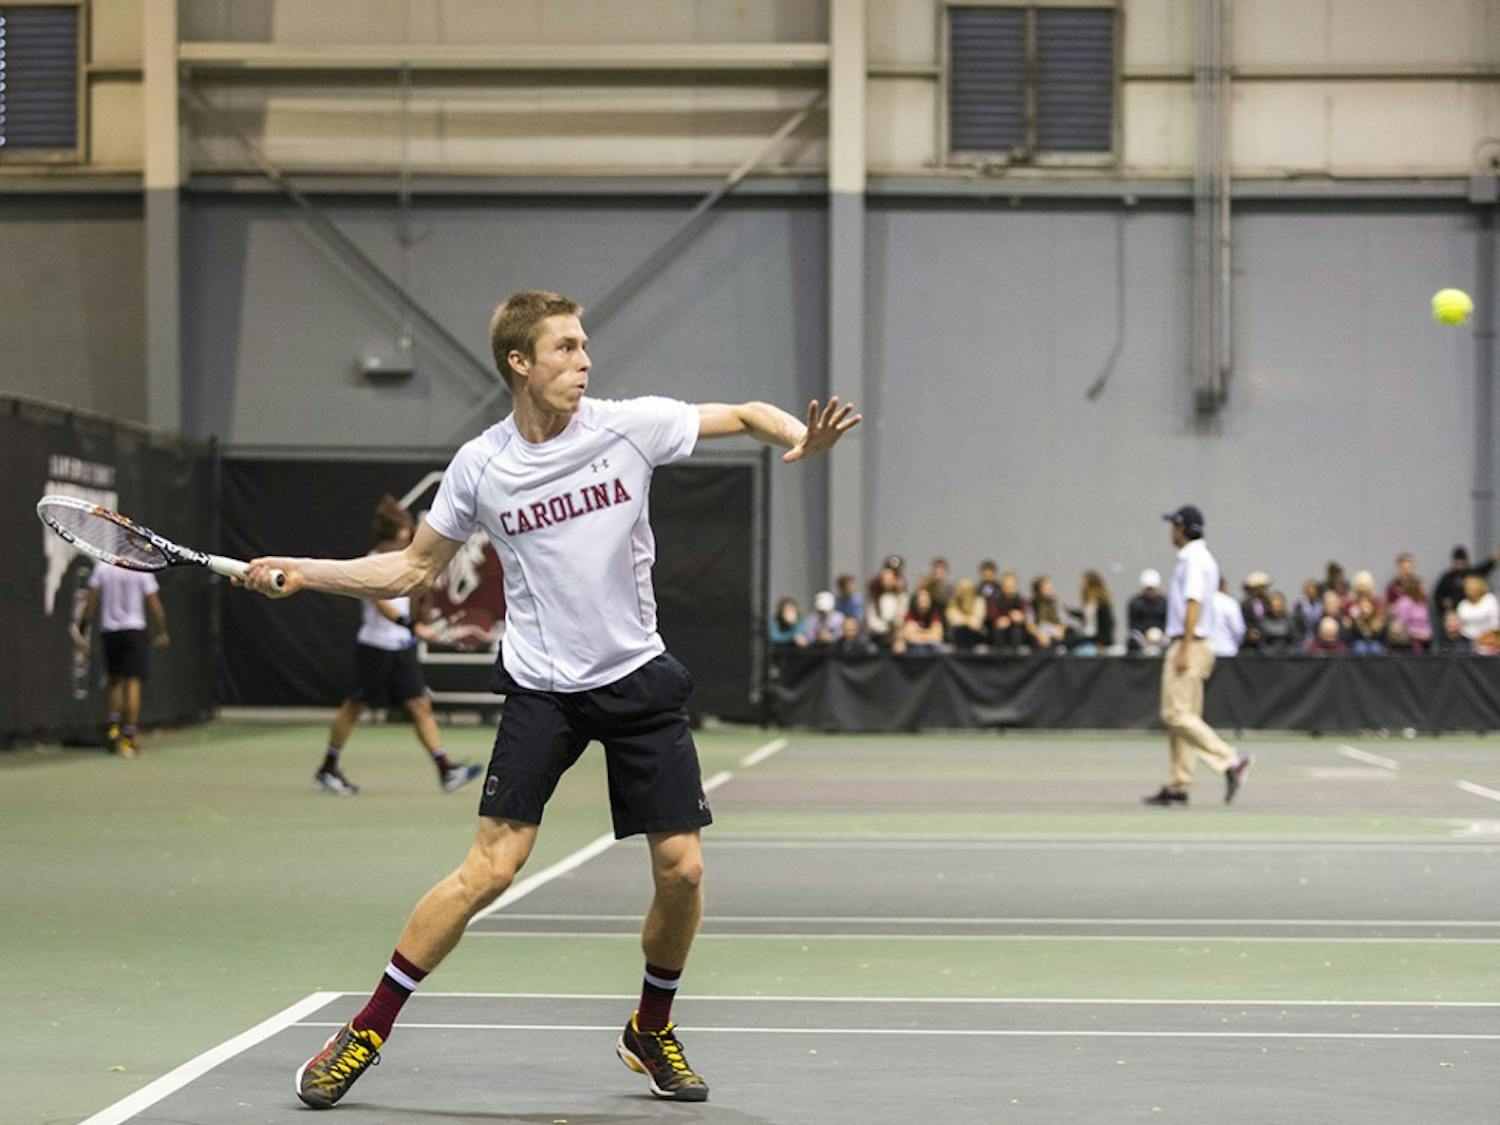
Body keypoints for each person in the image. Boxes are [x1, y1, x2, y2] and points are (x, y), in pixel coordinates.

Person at [242, 290, 860, 1108]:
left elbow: (744, 413)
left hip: (637, 676)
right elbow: (411, 570)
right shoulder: (480, 467)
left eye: (584, 345)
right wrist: (308, 571)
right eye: (565, 348)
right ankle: (366, 1031)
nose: (584, 361)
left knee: (682, 869)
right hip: (543, 688)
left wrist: (796, 435)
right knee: (489, 869)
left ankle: (650, 1028)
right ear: (520, 363)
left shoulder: (627, 427)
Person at [314, 496, 484, 796]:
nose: (411, 536)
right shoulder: (370, 563)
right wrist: (413, 627)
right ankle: (328, 768)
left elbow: (410, 596)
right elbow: (382, 605)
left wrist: (419, 612)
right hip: (375, 649)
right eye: (406, 532)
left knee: (420, 705)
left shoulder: (403, 560)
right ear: (393, 535)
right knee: (353, 708)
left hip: (401, 648)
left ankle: (446, 770)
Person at [1143, 505, 1252, 807]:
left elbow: (1193, 603)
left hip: (1190, 642)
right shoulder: (1201, 558)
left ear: (1183, 528)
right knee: (1185, 717)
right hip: (1196, 642)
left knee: (1174, 714)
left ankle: (1231, 759)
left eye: (1174, 526)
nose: (1170, 531)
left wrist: (1186, 646)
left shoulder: (1193, 559)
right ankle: (1180, 785)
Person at [74, 562, 169, 757]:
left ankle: (113, 730)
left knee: (114, 680)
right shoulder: (141, 567)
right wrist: (162, 631)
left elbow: (91, 600)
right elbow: (155, 603)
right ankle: (128, 740)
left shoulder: (102, 566)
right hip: (134, 631)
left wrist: (82, 630)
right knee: (132, 683)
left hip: (111, 633)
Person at [1433, 545, 1498, 617]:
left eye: (1461, 563)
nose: (1459, 565)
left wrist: (1493, 559)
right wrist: (1443, 601)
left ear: (1466, 562)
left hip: (1471, 611)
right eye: (1457, 563)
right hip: (1454, 614)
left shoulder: (1471, 573)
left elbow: (1484, 568)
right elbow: (1437, 595)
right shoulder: (1447, 578)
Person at [1066, 570, 1115, 656]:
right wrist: (1070, 612)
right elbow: (1088, 617)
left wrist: (1101, 643)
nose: (1080, 585)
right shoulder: (1089, 602)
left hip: (1097, 639)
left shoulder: (1101, 603)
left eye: (1083, 582)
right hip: (1088, 636)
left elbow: (1108, 624)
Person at [1455, 574, 1500, 652]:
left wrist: (1484, 639)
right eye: (1466, 588)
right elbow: (1459, 625)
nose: (1467, 590)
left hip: (1489, 641)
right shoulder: (1462, 604)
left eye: (1470, 587)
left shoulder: (1489, 599)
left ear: (1478, 587)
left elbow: (1495, 622)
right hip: (1467, 641)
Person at [1126, 569, 1167, 654]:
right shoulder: (1135, 602)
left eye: (1152, 589)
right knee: (1132, 642)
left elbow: (1168, 622)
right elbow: (1133, 624)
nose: (1150, 592)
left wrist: (1159, 633)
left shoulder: (1165, 602)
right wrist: (1145, 633)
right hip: (1142, 637)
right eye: (1148, 589)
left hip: (1161, 637)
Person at [944, 578, 988, 651]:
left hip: (976, 636)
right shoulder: (953, 602)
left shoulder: (979, 601)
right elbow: (952, 619)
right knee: (960, 629)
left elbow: (977, 621)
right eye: (962, 589)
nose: (965, 593)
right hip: (957, 637)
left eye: (968, 589)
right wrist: (968, 620)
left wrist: (963, 619)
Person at [900, 585, 946, 653]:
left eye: (926, 598)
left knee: (937, 648)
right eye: (921, 599)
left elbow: (937, 636)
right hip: (915, 647)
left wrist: (919, 631)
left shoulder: (934, 615)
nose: (924, 600)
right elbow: (909, 637)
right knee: (919, 648)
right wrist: (929, 632)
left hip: (931, 646)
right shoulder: (910, 615)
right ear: (916, 601)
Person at [1208, 578, 1245, 658]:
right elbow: (1238, 629)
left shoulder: (1201, 602)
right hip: (1227, 650)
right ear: (1223, 586)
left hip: (1206, 651)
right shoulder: (1229, 602)